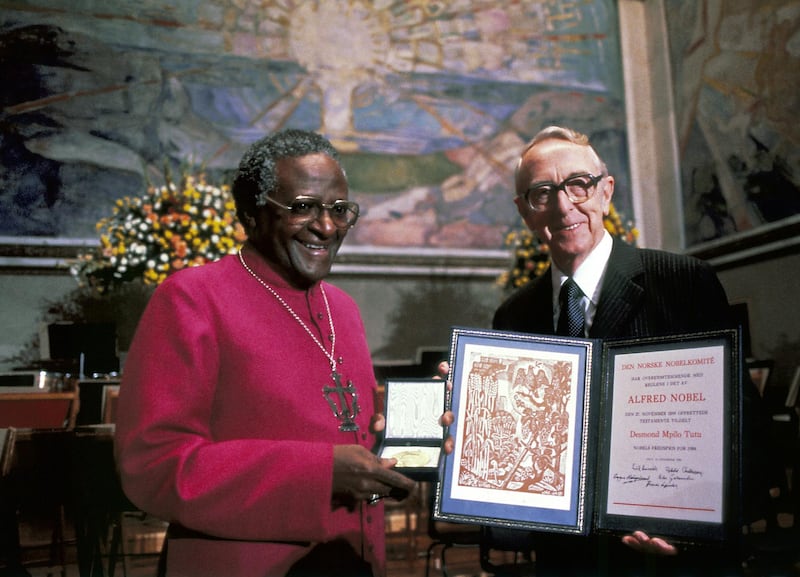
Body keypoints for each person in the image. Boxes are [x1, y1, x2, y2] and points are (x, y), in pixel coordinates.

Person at [114, 129, 417, 577]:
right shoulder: (193, 299)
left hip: (353, 561)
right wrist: (319, 474)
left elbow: (344, 424)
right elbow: (154, 465)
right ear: (251, 215)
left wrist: (403, 441)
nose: (327, 227)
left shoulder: (344, 310)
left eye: (338, 210)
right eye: (302, 208)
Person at [490, 125, 770, 576]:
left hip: (676, 562)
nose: (564, 206)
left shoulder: (683, 283)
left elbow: (749, 436)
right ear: (525, 211)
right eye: (543, 193)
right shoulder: (513, 316)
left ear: (605, 191)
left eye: (578, 184)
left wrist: (695, 529)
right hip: (567, 563)